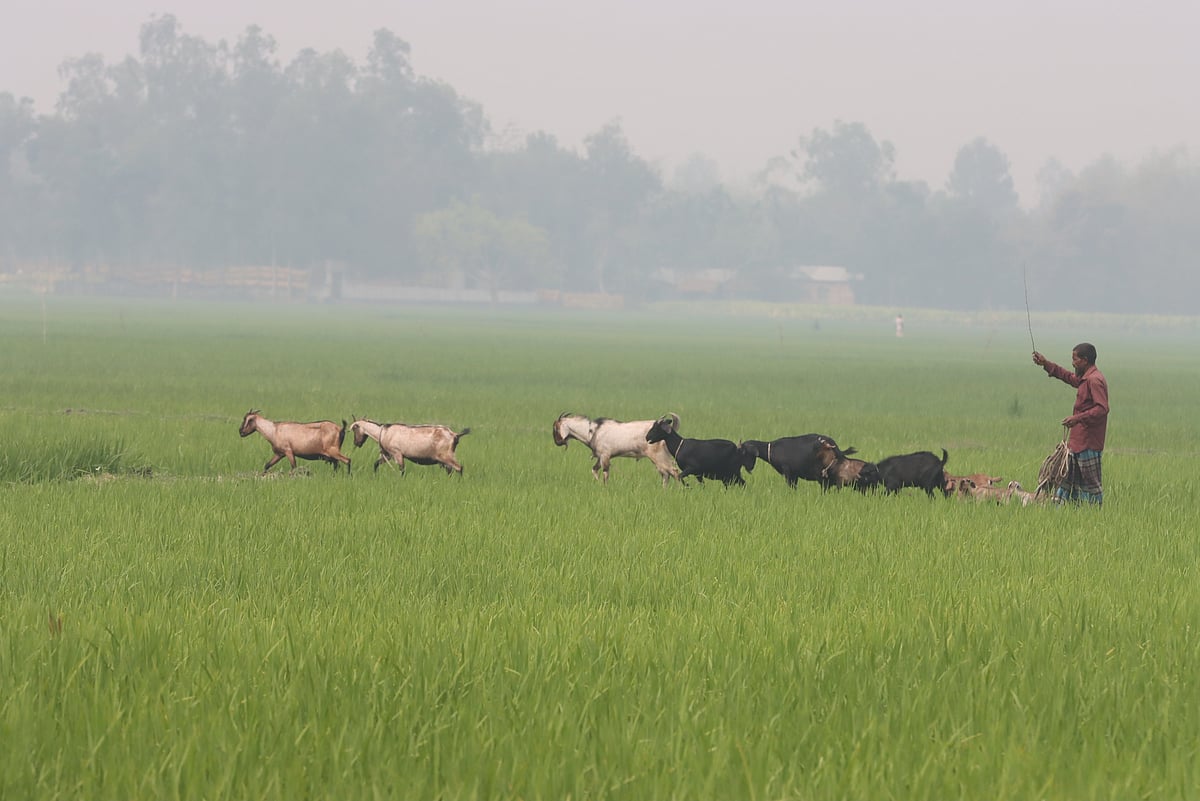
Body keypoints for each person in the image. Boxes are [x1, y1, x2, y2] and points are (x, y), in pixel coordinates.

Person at [1032, 343, 1109, 505]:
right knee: (1067, 481)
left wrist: (1077, 418)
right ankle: (1064, 513)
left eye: (1075, 359)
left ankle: (1094, 514)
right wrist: (1046, 364)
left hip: (1089, 443)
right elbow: (1069, 377)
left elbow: (1102, 409)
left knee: (1091, 486)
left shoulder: (1095, 380)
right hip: (1077, 442)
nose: (1072, 363)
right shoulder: (1085, 378)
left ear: (1085, 360)